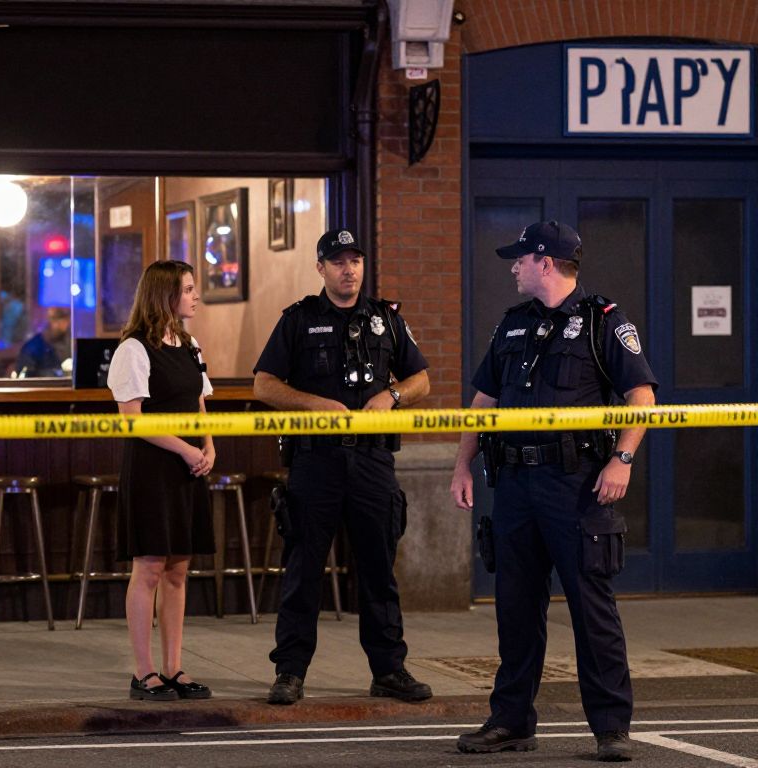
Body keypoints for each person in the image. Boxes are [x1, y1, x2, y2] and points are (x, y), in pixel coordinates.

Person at [449, 221, 657, 763]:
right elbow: (482, 402)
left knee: (592, 609)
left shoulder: (602, 322)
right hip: (515, 485)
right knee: (515, 610)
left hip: (578, 486)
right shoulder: (512, 326)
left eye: (520, 259)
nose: (513, 267)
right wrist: (461, 466)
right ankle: (512, 721)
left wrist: (623, 459)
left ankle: (611, 727)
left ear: (545, 261)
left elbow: (641, 395)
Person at [253, 228, 433, 705]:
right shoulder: (298, 319)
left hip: (373, 459)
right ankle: (290, 671)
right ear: (321, 268)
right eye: (337, 261)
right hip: (316, 460)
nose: (348, 269)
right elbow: (264, 385)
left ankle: (389, 670)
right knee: (303, 569)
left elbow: (421, 379)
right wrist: (313, 403)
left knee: (379, 568)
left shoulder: (386, 319)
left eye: (354, 260)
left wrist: (390, 395)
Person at [107, 259, 216, 702]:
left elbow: (200, 403)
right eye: (188, 289)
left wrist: (209, 446)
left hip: (189, 465)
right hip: (153, 467)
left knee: (178, 569)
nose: (195, 296)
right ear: (166, 295)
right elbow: (132, 421)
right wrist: (186, 448)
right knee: (149, 566)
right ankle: (144, 672)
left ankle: (174, 668)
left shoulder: (190, 344)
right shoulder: (133, 348)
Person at [14, 306, 70, 377]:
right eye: (61, 321)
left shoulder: (66, 344)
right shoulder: (32, 348)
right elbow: (24, 378)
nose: (66, 327)